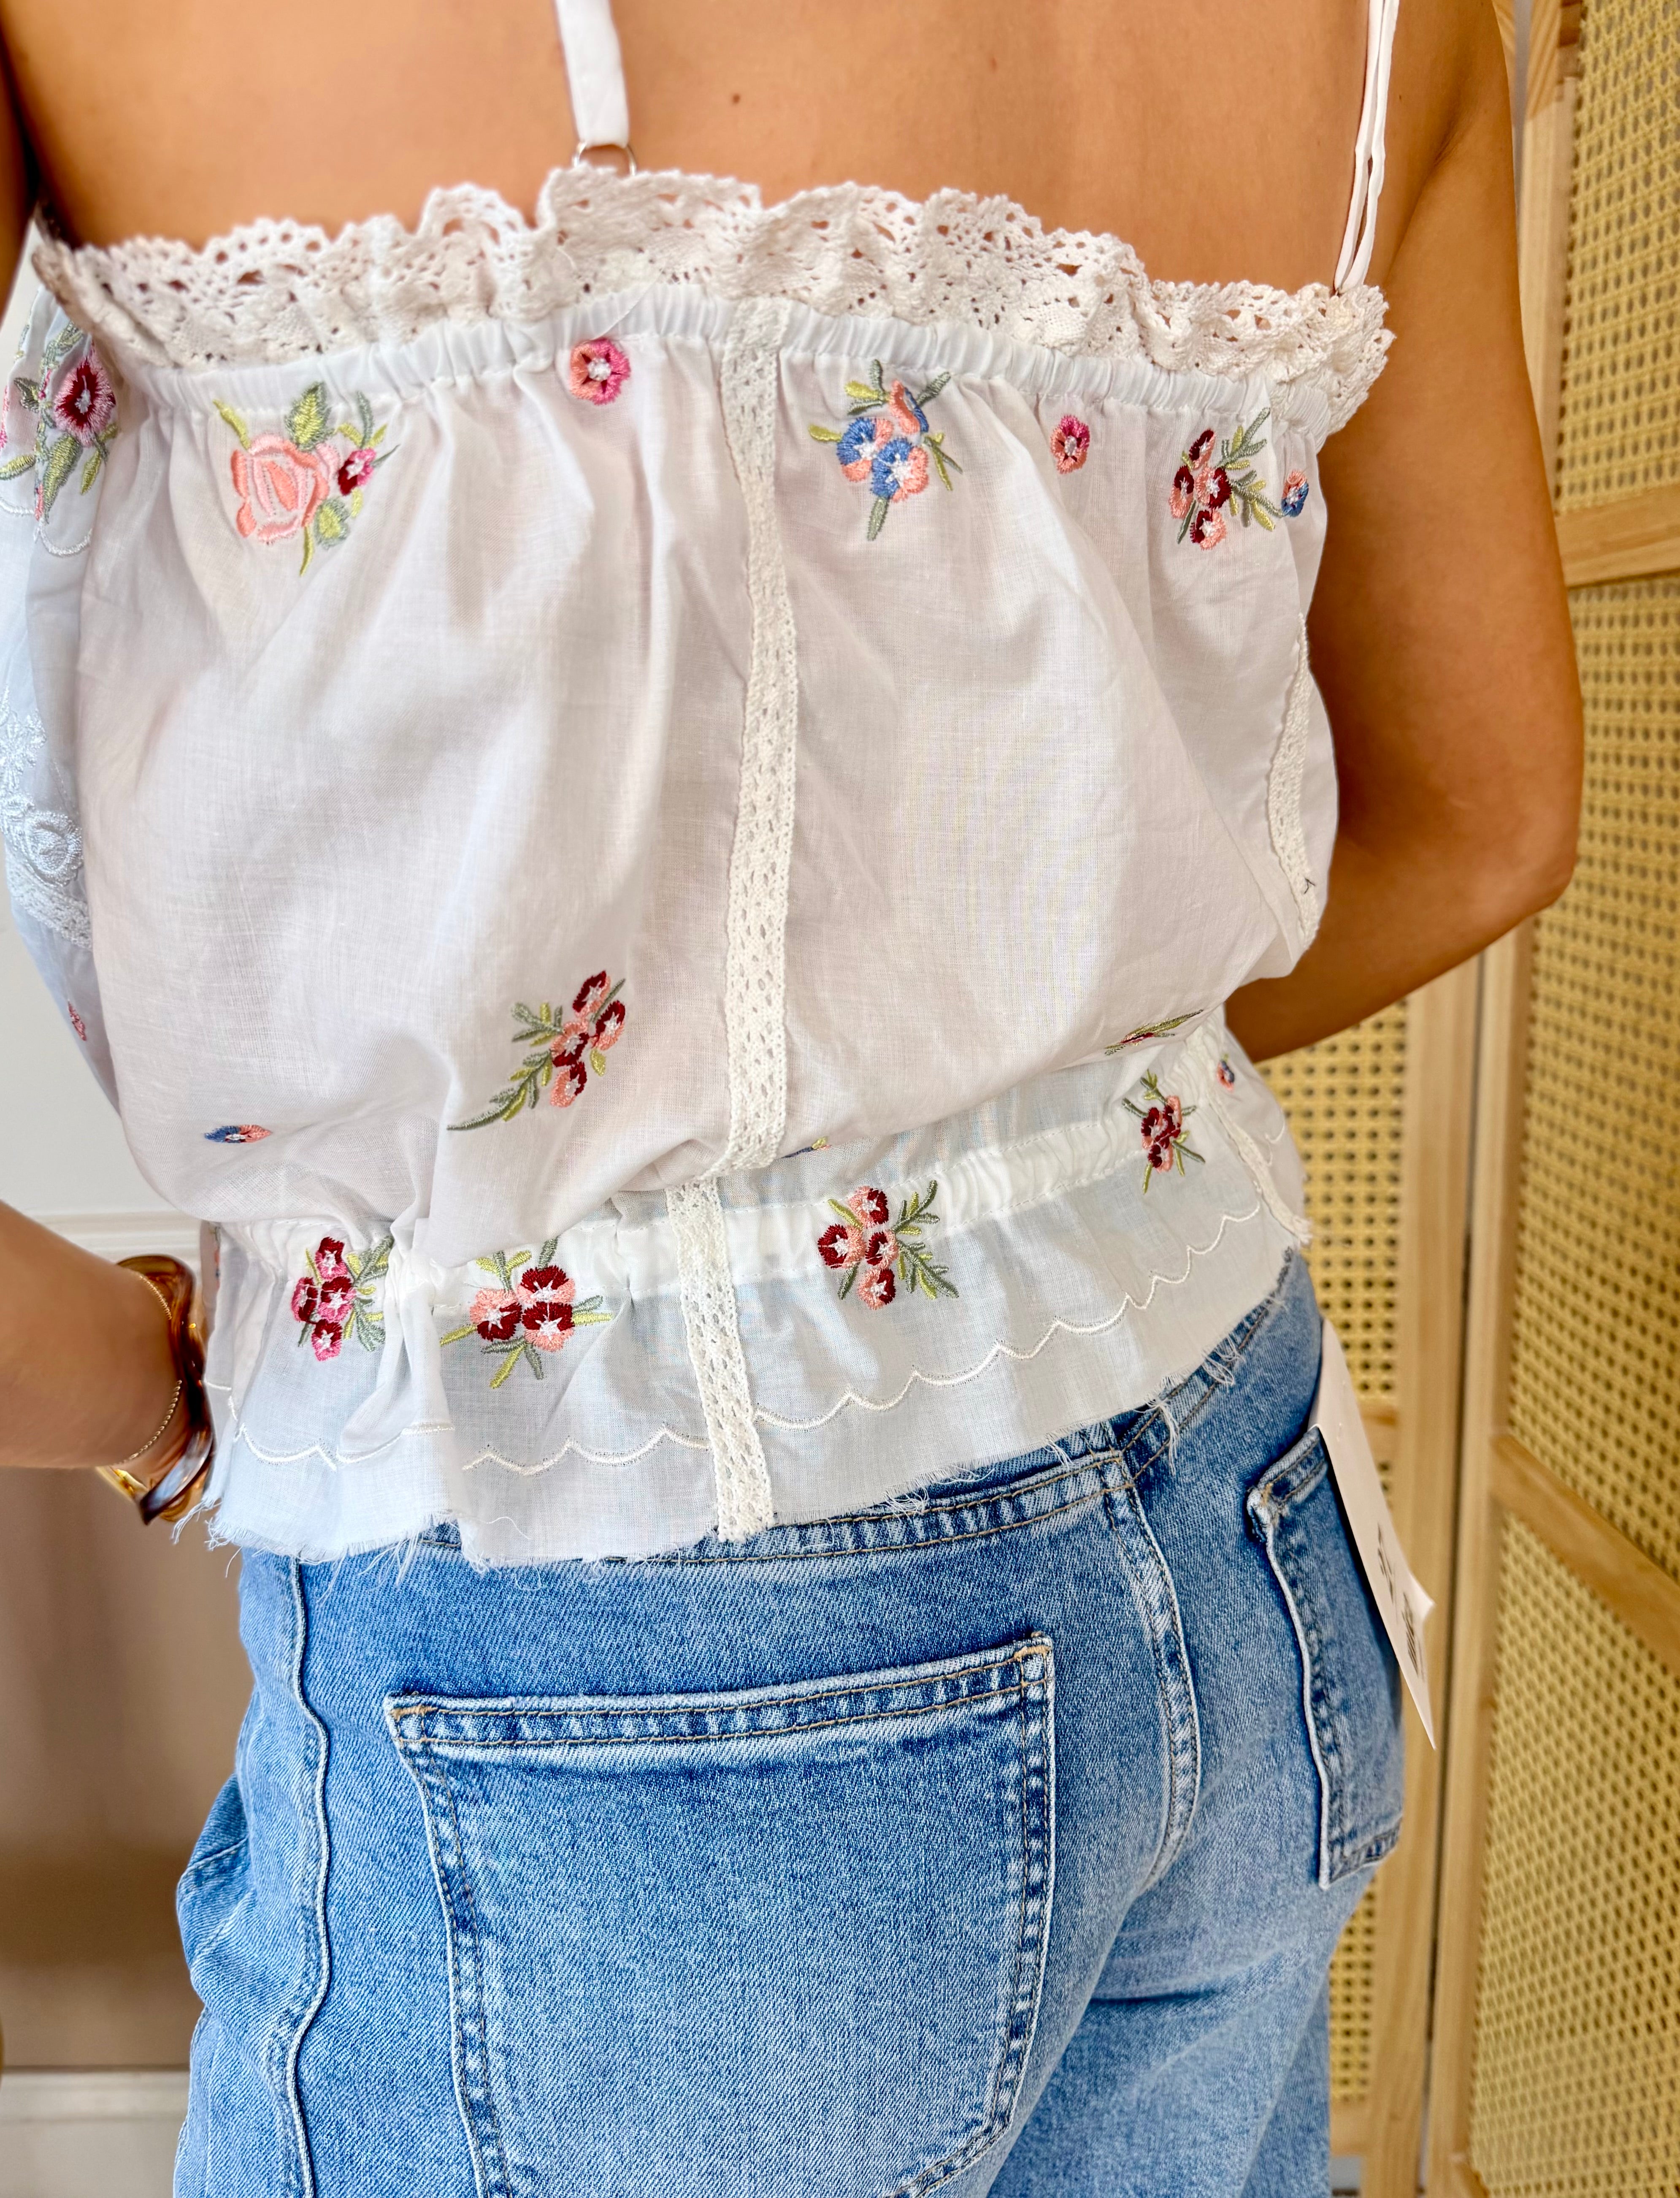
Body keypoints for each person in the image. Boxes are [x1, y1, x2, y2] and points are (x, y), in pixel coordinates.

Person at [0, 0, 1579, 2189]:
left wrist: (155, 1383)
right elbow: (1486, 818)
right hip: (1238, 1504)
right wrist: (989, 1126)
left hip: (628, 1648)